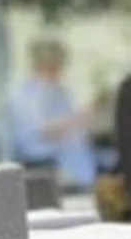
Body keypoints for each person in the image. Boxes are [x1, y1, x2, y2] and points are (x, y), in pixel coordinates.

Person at [7, 36, 98, 195]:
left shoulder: (59, 89)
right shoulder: (27, 93)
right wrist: (75, 119)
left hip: (69, 151)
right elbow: (40, 131)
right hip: (43, 156)